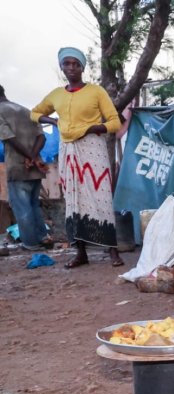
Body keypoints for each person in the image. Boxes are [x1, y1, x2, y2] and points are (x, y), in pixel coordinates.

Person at [31, 47, 124, 268]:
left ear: (83, 67)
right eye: (67, 64)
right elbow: (34, 113)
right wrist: (53, 122)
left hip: (93, 147)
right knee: (74, 199)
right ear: (62, 66)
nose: (71, 68)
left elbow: (114, 122)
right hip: (68, 151)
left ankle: (113, 251)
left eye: (76, 64)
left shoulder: (96, 91)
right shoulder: (56, 94)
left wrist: (92, 128)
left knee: (100, 196)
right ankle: (81, 252)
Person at [0, 85, 51, 250]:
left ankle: (31, 243)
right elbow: (41, 138)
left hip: (18, 167)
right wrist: (34, 158)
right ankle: (43, 237)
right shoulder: (26, 110)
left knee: (22, 207)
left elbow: (10, 139)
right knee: (33, 204)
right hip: (35, 168)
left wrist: (29, 158)